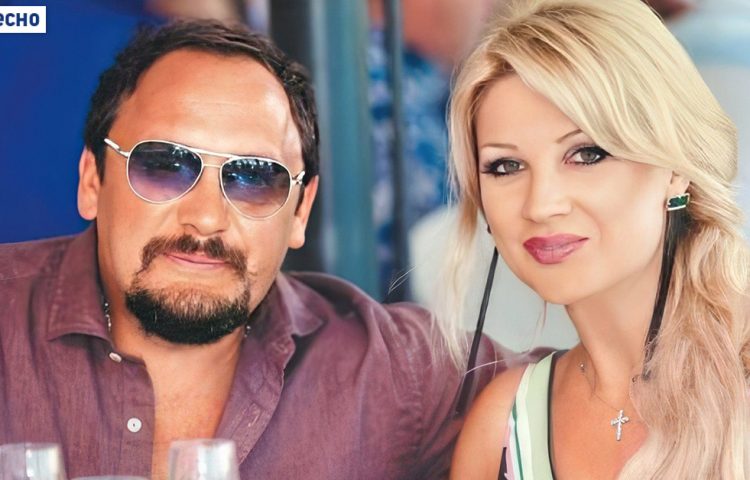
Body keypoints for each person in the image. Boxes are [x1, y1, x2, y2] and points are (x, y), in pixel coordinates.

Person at [0, 20, 503, 479]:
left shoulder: (391, 373)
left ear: (300, 211)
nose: (207, 217)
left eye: (254, 179)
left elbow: (549, 393)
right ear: (92, 180)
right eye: (164, 166)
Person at [441, 0, 750, 478]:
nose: (541, 204)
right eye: (506, 166)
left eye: (586, 154)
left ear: (675, 168)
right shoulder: (501, 428)